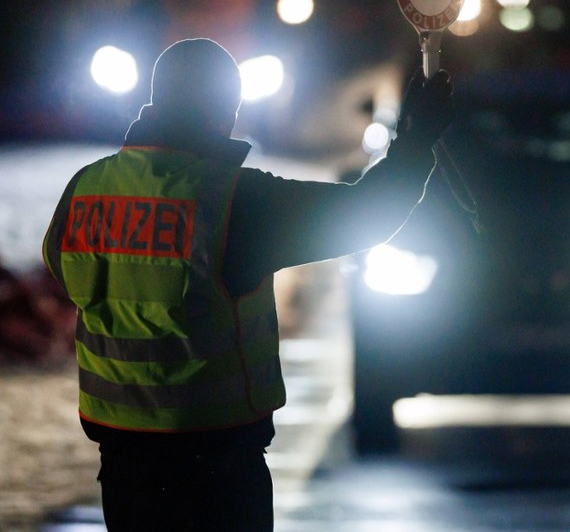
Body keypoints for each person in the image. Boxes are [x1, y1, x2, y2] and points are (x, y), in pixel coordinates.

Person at [41, 37, 453, 531]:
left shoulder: (87, 188)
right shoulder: (235, 201)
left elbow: (60, 265)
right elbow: (367, 213)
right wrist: (418, 137)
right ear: (225, 109)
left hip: (124, 466)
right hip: (217, 470)